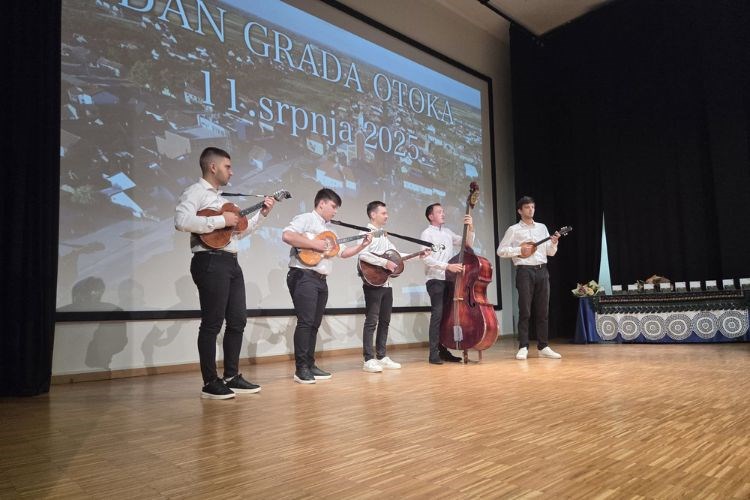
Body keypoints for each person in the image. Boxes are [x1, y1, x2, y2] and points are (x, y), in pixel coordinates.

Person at [174, 147, 275, 399]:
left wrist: (262, 214)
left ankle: (231, 376)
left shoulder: (223, 200)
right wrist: (221, 221)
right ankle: (210, 382)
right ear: (213, 167)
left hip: (231, 261)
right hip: (209, 261)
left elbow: (238, 232)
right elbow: (182, 221)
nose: (232, 171)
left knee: (238, 320)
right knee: (212, 323)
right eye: (227, 166)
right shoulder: (195, 192)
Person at [282, 188, 372, 384]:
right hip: (303, 275)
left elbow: (343, 253)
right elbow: (287, 235)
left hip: (321, 280)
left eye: (336, 208)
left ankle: (310, 364)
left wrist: (362, 245)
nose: (335, 211)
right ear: (321, 204)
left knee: (314, 324)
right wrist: (314, 244)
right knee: (306, 322)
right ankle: (301, 369)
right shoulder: (306, 218)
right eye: (333, 206)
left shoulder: (331, 231)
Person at [357, 201, 426, 373]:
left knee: (385, 321)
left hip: (386, 283)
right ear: (373, 215)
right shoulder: (365, 233)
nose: (387, 216)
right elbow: (363, 254)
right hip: (373, 282)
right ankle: (368, 359)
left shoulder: (384, 236)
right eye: (383, 213)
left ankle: (381, 356)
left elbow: (397, 256)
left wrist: (419, 256)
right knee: (371, 321)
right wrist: (384, 262)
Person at [497, 196, 562, 360]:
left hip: (542, 271)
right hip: (524, 271)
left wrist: (554, 243)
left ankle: (543, 346)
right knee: (525, 310)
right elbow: (501, 250)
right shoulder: (513, 230)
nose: (531, 210)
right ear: (520, 211)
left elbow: (550, 252)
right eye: (527, 207)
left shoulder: (542, 227)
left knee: (543, 310)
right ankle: (523, 346)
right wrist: (519, 250)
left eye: (532, 207)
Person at [420, 203, 473, 364]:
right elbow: (426, 259)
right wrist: (447, 266)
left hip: (449, 280)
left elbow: (467, 243)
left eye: (443, 211)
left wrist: (471, 226)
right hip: (435, 279)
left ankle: (444, 351)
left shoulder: (448, 233)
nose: (443, 214)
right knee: (437, 315)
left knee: (447, 317)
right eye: (439, 212)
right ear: (431, 216)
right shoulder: (427, 234)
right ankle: (433, 353)